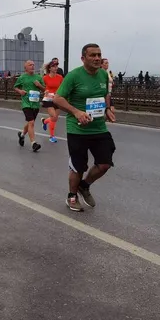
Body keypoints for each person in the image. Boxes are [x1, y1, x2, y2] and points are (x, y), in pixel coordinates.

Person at [53, 43, 116, 212]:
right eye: (93, 55)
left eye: (99, 55)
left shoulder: (103, 75)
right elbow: (57, 99)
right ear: (83, 58)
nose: (97, 58)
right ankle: (72, 196)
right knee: (78, 166)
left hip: (99, 127)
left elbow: (105, 95)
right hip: (78, 129)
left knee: (105, 164)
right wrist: (76, 112)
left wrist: (108, 109)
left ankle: (84, 185)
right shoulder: (74, 76)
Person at [14, 60, 44, 152]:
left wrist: (39, 85)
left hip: (35, 104)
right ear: (25, 67)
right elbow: (15, 87)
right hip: (26, 103)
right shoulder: (22, 77)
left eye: (33, 65)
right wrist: (20, 91)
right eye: (30, 65)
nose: (32, 66)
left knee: (30, 123)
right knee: (31, 122)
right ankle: (33, 143)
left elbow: (44, 90)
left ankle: (22, 135)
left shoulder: (38, 77)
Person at [40, 61, 64, 143]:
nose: (56, 68)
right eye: (54, 66)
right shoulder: (45, 78)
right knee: (53, 117)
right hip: (48, 99)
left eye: (57, 66)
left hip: (57, 99)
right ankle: (52, 136)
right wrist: (45, 91)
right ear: (50, 68)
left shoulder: (60, 77)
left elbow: (63, 87)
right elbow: (42, 87)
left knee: (55, 118)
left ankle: (45, 121)